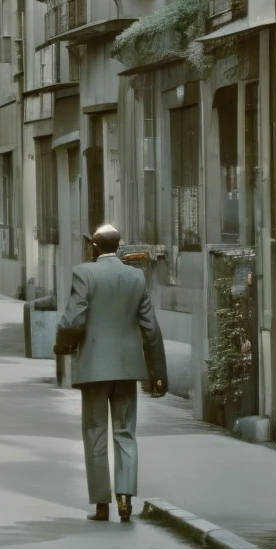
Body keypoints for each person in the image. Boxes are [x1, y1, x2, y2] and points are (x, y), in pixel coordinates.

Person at [56, 224, 168, 524]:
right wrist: (158, 373)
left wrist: (62, 346)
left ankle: (102, 504)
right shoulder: (136, 277)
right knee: (125, 432)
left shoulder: (84, 274)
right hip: (127, 368)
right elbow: (150, 328)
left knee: (95, 432)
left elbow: (73, 320)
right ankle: (125, 500)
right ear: (118, 246)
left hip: (93, 366)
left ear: (94, 246)